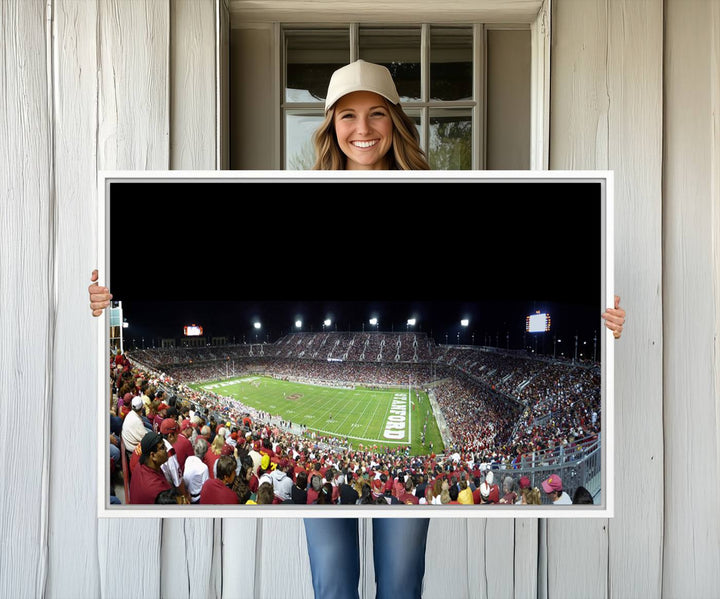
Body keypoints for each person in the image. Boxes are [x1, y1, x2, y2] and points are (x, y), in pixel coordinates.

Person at [88, 58, 626, 599]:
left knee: (399, 585)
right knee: (333, 584)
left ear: (395, 120)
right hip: (331, 469)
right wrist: (109, 294)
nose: (362, 130)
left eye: (375, 114)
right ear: (330, 126)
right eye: (347, 116)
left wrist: (600, 308)